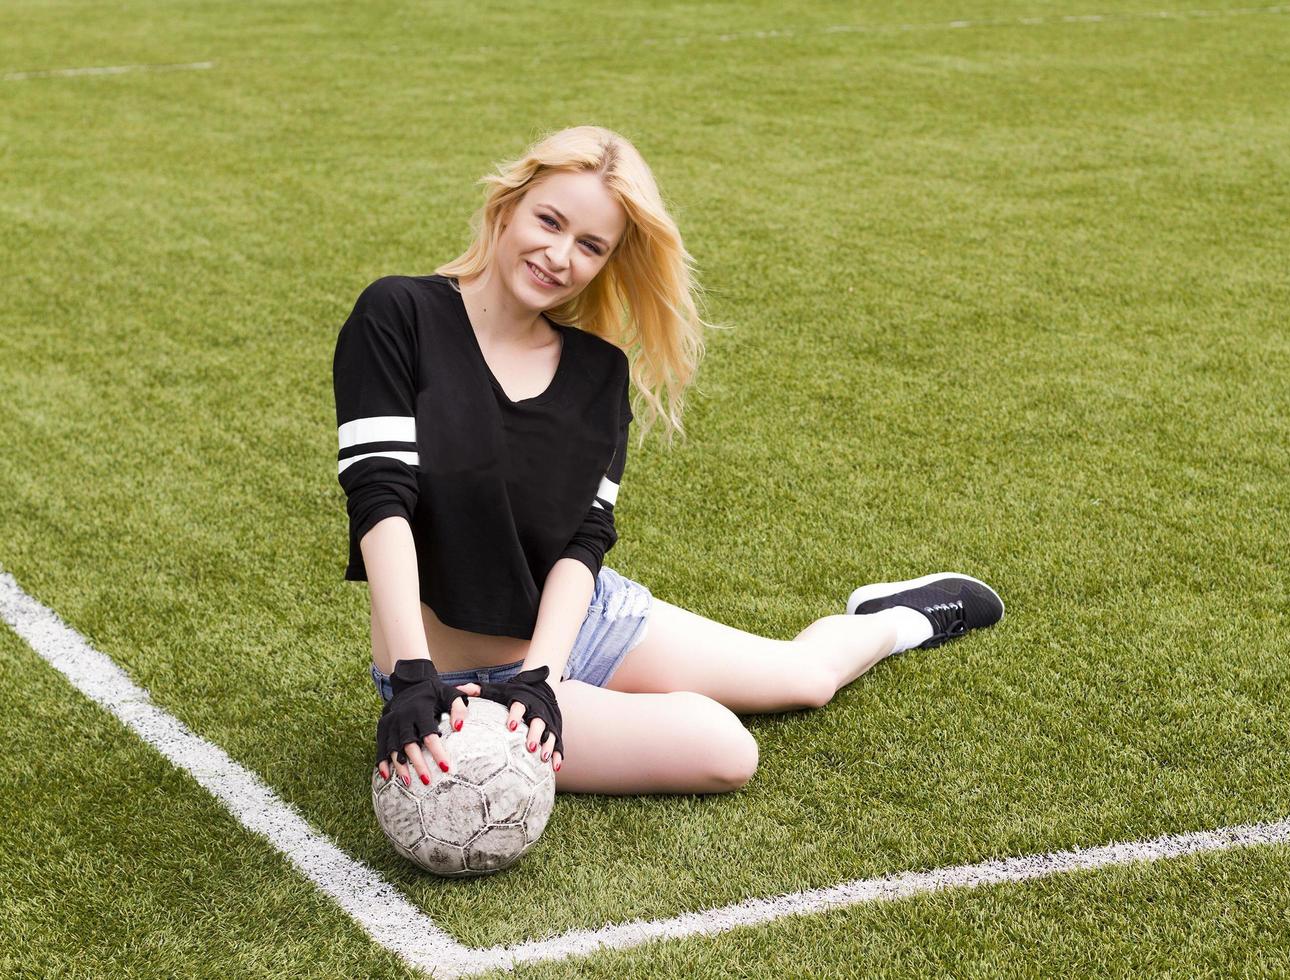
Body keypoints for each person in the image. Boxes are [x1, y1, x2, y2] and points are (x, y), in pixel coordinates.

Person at [333, 125, 1004, 797]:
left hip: (578, 626)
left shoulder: (598, 372)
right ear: (509, 207)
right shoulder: (400, 314)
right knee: (726, 751)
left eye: (590, 245)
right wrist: (415, 676)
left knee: (807, 680)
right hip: (450, 680)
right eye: (550, 221)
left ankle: (890, 620)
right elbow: (380, 496)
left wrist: (543, 678)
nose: (559, 255)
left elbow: (583, 542)